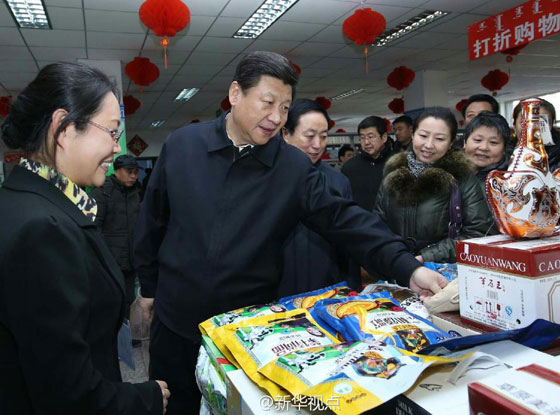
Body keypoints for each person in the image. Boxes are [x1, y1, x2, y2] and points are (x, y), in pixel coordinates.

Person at [134, 51, 448, 413]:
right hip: (176, 320)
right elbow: (153, 220)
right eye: (267, 103)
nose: (276, 117)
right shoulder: (183, 145)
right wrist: (149, 287)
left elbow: (345, 219)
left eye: (284, 108)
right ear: (235, 93)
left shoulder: (291, 167)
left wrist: (406, 265)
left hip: (248, 331)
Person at [0, 62, 168, 414]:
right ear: (64, 128)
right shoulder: (42, 229)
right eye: (111, 132)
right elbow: (65, 391)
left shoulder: (29, 201)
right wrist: (147, 398)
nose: (116, 147)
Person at [374, 107, 490, 262]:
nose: (429, 145)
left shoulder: (462, 178)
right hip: (396, 267)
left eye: (439, 139)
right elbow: (378, 224)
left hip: (440, 270)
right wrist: (394, 257)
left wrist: (425, 257)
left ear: (450, 143)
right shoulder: (393, 173)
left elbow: (478, 233)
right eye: (423, 136)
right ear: (413, 134)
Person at [279, 98, 360, 296]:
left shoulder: (338, 181)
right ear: (286, 134)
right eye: (309, 136)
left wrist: (352, 289)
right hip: (276, 292)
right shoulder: (266, 178)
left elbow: (350, 242)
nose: (317, 145)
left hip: (327, 288)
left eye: (323, 137)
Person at [511, 98, 560, 223]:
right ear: (514, 125)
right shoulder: (506, 157)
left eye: (542, 123)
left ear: (551, 125)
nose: (533, 128)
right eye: (525, 122)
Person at [90, 154, 141, 317]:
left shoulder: (137, 192)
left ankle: (127, 331)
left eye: (136, 172)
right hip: (110, 260)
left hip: (131, 259)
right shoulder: (102, 191)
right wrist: (102, 257)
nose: (133, 176)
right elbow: (93, 227)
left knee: (129, 301)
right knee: (111, 302)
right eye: (129, 171)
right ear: (117, 171)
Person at [463, 111, 511, 234]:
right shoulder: (451, 175)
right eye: (477, 140)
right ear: (465, 142)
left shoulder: (511, 182)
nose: (484, 147)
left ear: (504, 149)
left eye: (493, 143)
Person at [342, 115, 395, 211]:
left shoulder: (398, 164)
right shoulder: (349, 167)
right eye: (362, 137)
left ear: (384, 137)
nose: (366, 142)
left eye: (371, 137)